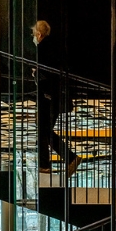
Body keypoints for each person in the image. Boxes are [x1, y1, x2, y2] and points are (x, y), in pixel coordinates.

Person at [32, 20, 82, 177]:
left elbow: (46, 75)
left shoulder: (43, 49)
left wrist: (35, 73)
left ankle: (59, 161)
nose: (33, 37)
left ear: (39, 34)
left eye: (34, 34)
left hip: (48, 97)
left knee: (44, 130)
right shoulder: (54, 48)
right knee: (44, 131)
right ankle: (52, 163)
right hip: (53, 97)